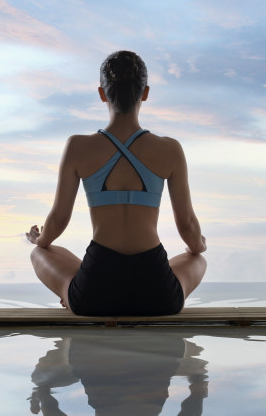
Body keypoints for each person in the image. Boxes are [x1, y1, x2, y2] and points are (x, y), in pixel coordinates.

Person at [26, 51, 207, 316]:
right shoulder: (169, 149)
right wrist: (199, 244)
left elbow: (58, 220)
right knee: (196, 259)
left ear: (102, 93)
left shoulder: (78, 146)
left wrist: (39, 239)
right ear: (145, 93)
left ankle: (69, 293)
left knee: (40, 253)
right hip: (157, 293)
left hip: (94, 292)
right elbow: (188, 226)